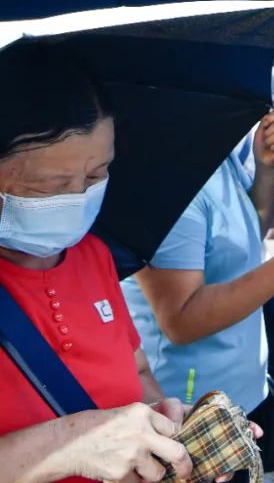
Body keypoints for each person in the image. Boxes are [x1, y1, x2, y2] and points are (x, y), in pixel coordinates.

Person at [121, 111, 274, 476]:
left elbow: (252, 227)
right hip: (190, 408)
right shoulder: (167, 178)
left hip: (241, 392)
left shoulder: (218, 155)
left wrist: (264, 170)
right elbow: (180, 320)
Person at [0, 42, 193, 483]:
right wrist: (68, 444)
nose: (76, 198)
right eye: (49, 185)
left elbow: (136, 368)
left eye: (95, 175)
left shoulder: (93, 256)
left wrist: (164, 425)